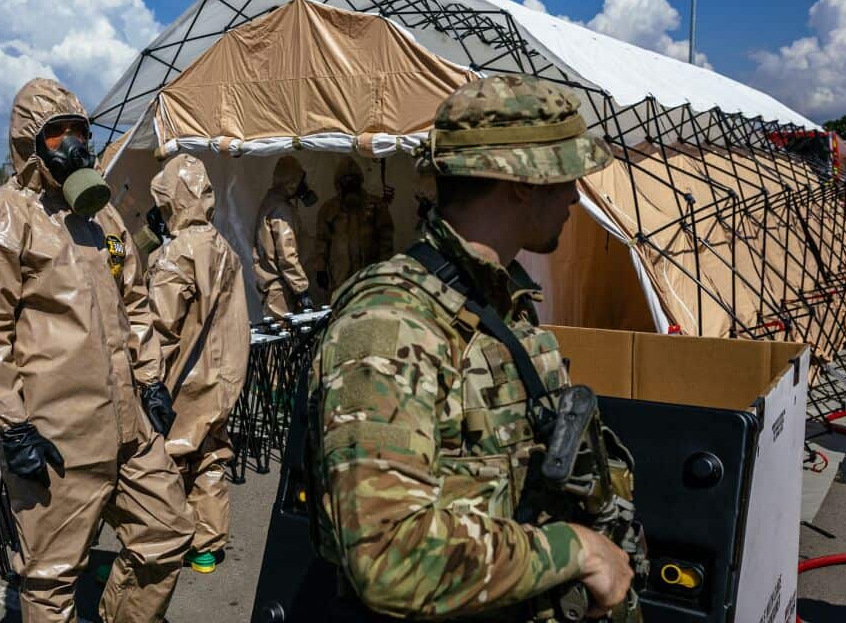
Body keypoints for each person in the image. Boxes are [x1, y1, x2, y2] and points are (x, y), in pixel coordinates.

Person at [308, 75, 637, 621]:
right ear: (522, 182)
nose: (575, 197)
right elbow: (388, 556)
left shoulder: (490, 299)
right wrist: (576, 550)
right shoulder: (394, 326)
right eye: (567, 176)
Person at [0, 78, 193, 623]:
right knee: (51, 579)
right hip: (56, 437)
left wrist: (151, 380)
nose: (73, 145)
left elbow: (136, 306)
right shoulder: (0, 217)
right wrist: (14, 426)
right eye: (57, 133)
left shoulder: (103, 218)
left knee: (167, 535)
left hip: (129, 429)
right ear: (29, 143)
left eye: (80, 132)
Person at [146, 154, 251, 575]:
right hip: (223, 376)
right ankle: (205, 547)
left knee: (167, 461)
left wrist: (146, 378)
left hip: (183, 379)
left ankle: (162, 547)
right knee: (210, 457)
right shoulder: (224, 247)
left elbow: (159, 326)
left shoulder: (177, 254)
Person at [314, 157, 395, 295]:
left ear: (360, 180)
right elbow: (322, 241)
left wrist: (385, 266)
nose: (350, 183)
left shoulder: (375, 205)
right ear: (339, 183)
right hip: (340, 274)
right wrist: (320, 269)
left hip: (370, 272)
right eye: (345, 179)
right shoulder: (329, 209)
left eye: (353, 178)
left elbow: (386, 238)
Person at [252, 155, 317, 318]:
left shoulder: (271, 202)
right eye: (301, 180)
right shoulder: (281, 209)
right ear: (292, 182)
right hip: (281, 289)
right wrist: (302, 290)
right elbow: (286, 254)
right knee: (285, 331)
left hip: (275, 286)